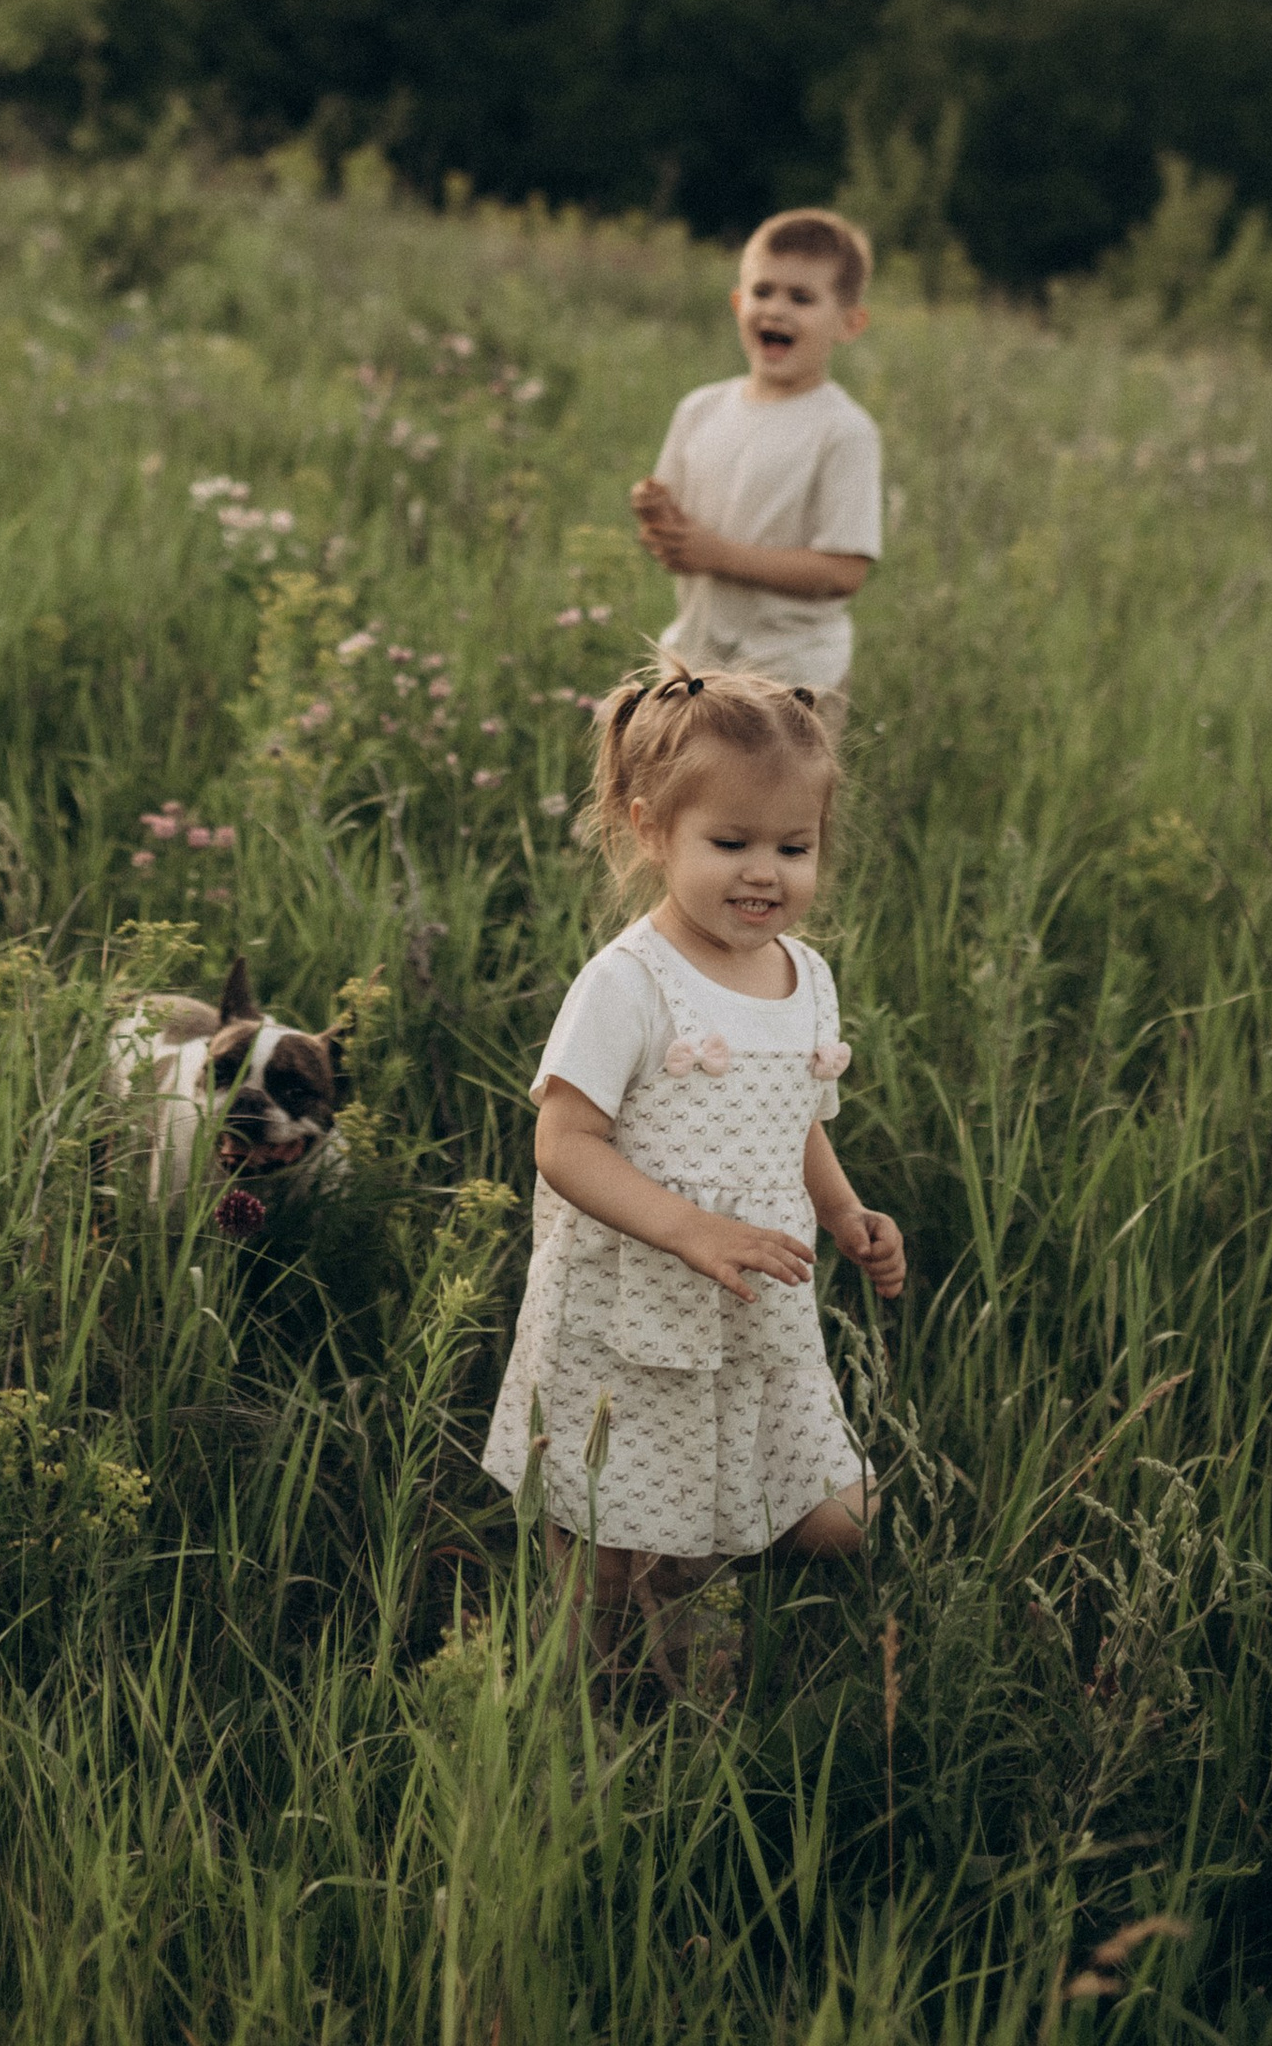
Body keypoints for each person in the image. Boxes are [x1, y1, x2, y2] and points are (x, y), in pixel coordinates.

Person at [479, 666, 906, 1679]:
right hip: (634, 1303)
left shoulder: (804, 976)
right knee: (602, 1537)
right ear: (648, 829)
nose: (765, 873)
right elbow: (564, 1142)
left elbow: (791, 1114)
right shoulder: (629, 982)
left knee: (775, 1514)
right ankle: (579, 1709)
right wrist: (689, 1227)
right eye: (731, 843)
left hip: (746, 1303)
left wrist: (842, 1209)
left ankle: (690, 1671)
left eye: (791, 847)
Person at [631, 207, 881, 724]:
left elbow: (844, 571)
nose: (777, 310)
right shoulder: (700, 409)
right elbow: (678, 549)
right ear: (738, 302)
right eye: (763, 292)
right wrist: (659, 520)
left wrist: (716, 553)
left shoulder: (843, 431)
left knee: (774, 809)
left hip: (791, 682)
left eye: (802, 297)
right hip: (693, 669)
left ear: (850, 323)